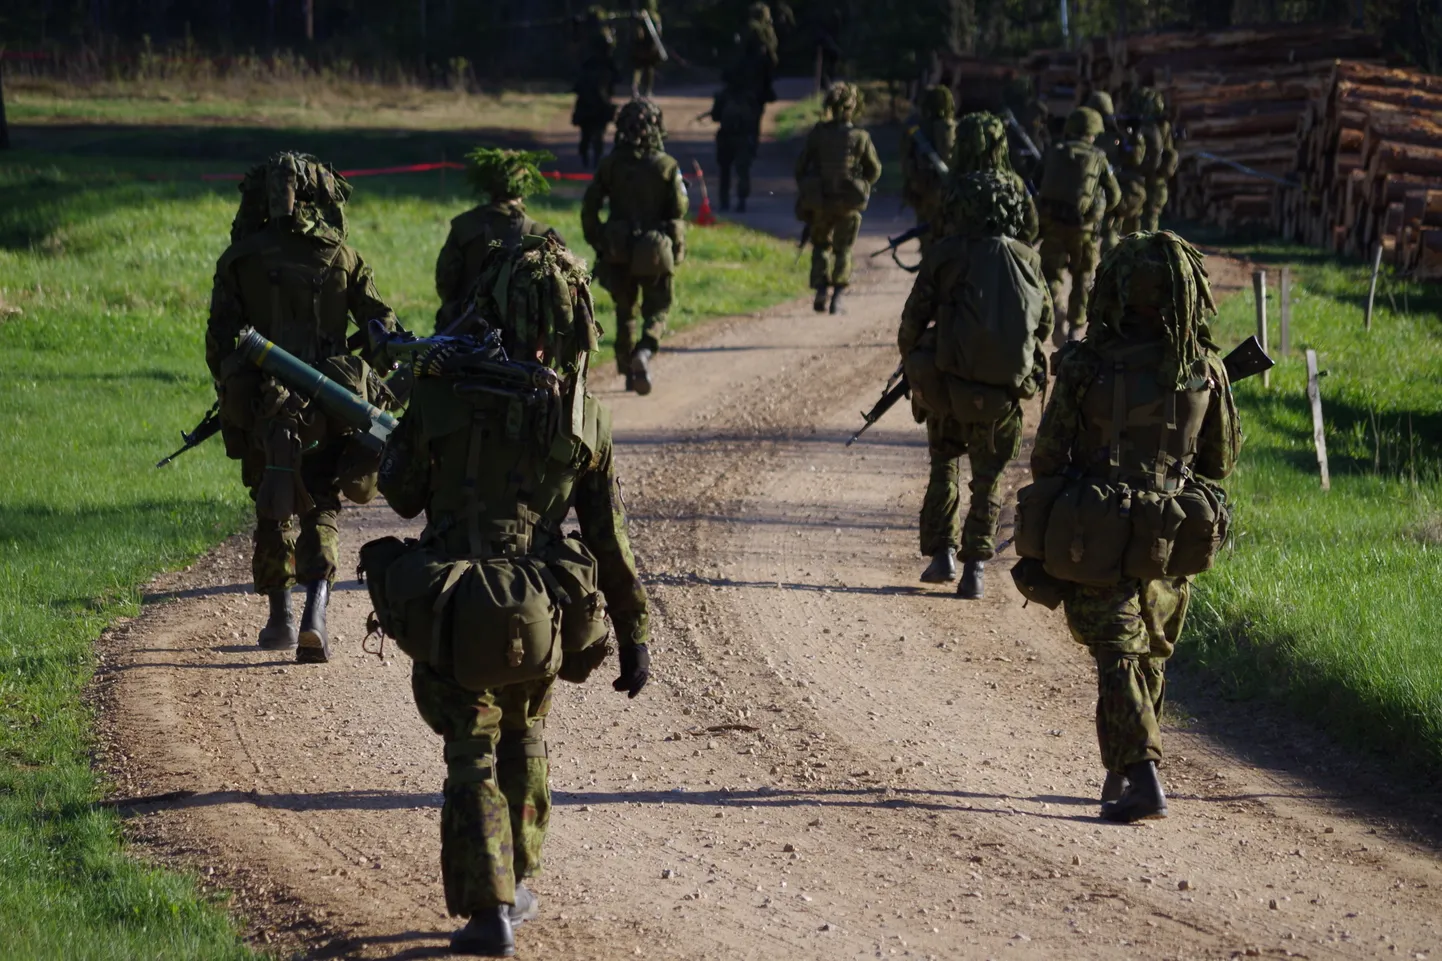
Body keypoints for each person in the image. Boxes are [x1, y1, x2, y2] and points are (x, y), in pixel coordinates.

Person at [372, 235, 652, 956]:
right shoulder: (587, 419)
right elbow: (609, 539)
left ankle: (487, 903)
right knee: (525, 730)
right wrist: (635, 630)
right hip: (539, 606)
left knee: (470, 749)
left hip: (452, 602)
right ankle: (519, 877)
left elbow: (400, 494)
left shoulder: (441, 388)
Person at [1023, 231, 1240, 822]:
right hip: (1171, 529)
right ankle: (1122, 774)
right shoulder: (1207, 369)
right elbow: (1219, 463)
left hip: (1096, 529)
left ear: (1116, 288)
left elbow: (1049, 455)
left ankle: (1142, 775)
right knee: (1149, 654)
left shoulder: (1085, 365)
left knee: (1117, 651)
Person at [205, 151, 398, 662]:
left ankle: (280, 618)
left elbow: (218, 342)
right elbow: (384, 330)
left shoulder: (239, 260)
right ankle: (316, 611)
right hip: (330, 407)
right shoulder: (344, 258)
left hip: (264, 408)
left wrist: (236, 395)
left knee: (273, 505)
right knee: (323, 502)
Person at [898, 171, 1051, 597]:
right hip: (1002, 394)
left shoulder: (946, 254)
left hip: (947, 388)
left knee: (944, 462)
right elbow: (1046, 323)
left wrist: (915, 362)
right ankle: (976, 569)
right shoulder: (1028, 258)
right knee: (990, 477)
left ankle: (942, 555)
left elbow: (912, 320)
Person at [581, 98, 688, 395]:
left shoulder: (610, 164)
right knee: (658, 309)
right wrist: (676, 250)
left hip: (617, 248)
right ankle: (645, 350)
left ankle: (627, 370)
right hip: (653, 250)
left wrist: (598, 239)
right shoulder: (666, 166)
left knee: (624, 310)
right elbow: (679, 210)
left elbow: (589, 207)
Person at [435, 148, 562, 332]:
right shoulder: (541, 234)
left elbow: (445, 282)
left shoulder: (464, 226)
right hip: (521, 338)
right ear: (524, 187)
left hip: (467, 331)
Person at [794, 81, 882, 314]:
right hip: (847, 203)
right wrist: (860, 183)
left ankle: (821, 291)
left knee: (821, 245)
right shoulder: (860, 137)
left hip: (821, 202)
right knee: (843, 249)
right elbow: (874, 170)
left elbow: (801, 167)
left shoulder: (818, 134)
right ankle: (838, 299)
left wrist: (810, 190)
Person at [1035, 106, 1120, 342]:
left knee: (1051, 275)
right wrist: (1099, 208)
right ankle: (1075, 326)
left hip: (1052, 227)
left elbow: (1036, 182)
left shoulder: (1054, 151)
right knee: (1083, 277)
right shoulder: (1098, 157)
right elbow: (1115, 196)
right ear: (1093, 132)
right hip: (1084, 231)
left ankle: (1054, 311)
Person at [947, 111, 1038, 243]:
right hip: (1004, 259)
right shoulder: (1014, 183)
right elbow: (1031, 229)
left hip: (961, 260)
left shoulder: (952, 183)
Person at [900, 85, 957, 252]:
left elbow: (905, 160)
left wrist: (912, 182)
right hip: (945, 192)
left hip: (921, 188)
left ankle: (928, 268)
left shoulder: (913, 126)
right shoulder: (949, 127)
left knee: (925, 231)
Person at [572, 8, 622, 169]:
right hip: (590, 94)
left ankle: (593, 160)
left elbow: (610, 51)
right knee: (588, 135)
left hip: (597, 96)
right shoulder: (585, 41)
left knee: (596, 133)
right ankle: (588, 159)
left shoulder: (602, 41)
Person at [1129, 86, 1179, 232]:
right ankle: (1148, 248)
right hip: (1157, 178)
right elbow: (1169, 151)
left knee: (1134, 217)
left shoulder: (1135, 125)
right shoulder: (1164, 126)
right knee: (1151, 217)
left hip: (1136, 176)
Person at [710, 83, 761, 212]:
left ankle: (724, 202)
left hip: (726, 138)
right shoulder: (750, 97)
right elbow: (755, 120)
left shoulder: (723, 96)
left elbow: (715, 116)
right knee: (742, 171)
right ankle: (741, 200)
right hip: (743, 139)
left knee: (725, 172)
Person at [629, 0, 664, 97]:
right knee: (642, 69)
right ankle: (640, 90)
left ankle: (642, 90)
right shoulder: (653, 16)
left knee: (643, 69)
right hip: (646, 49)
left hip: (645, 49)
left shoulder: (651, 17)